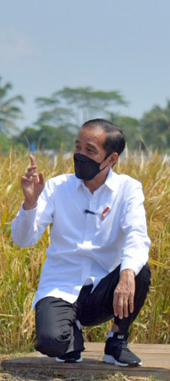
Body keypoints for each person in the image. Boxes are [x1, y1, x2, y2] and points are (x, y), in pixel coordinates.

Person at [12, 119, 151, 367]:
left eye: (90, 150)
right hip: (61, 286)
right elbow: (23, 239)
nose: (80, 155)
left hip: (103, 289)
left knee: (139, 270)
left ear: (111, 159)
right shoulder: (56, 187)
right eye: (78, 148)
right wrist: (30, 203)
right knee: (51, 342)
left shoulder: (128, 189)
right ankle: (70, 333)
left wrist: (127, 273)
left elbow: (137, 236)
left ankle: (117, 342)